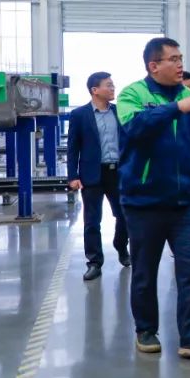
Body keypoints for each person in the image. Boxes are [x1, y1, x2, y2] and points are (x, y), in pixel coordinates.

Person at [116, 37, 190, 360]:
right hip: (143, 201)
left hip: (185, 202)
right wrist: (176, 109)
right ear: (154, 65)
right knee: (145, 271)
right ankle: (146, 329)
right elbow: (135, 128)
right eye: (173, 59)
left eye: (181, 58)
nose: (180, 64)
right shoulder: (132, 94)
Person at [67, 72, 130, 282]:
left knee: (124, 215)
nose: (113, 88)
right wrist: (72, 176)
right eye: (108, 85)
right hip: (92, 174)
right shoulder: (79, 115)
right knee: (92, 221)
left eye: (113, 85)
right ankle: (94, 262)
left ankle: (121, 246)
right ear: (95, 90)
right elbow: (73, 148)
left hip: (118, 173)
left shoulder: (120, 112)